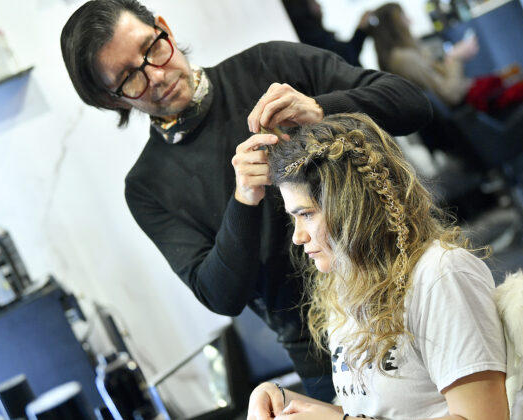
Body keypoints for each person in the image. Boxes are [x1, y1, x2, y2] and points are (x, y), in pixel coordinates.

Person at [60, 0, 431, 401]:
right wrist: (243, 200)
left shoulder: (268, 66)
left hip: (409, 289)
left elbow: (412, 103)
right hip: (323, 352)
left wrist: (323, 109)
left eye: (152, 48)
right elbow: (221, 295)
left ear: (164, 28)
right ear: (112, 99)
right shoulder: (149, 186)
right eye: (130, 77)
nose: (155, 74)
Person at [247, 113, 509, 420]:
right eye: (294, 218)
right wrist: (287, 403)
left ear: (350, 208)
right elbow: (379, 412)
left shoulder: (440, 275)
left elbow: (483, 417)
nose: (297, 236)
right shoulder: (346, 285)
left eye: (306, 214)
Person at [369, 2, 523, 206]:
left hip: (472, 124)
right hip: (475, 129)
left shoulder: (404, 57)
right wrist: (455, 58)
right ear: (394, 25)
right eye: (404, 18)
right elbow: (451, 94)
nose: (411, 21)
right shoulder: (405, 59)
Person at [282, 0, 374, 67]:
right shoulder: (316, 42)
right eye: (313, 2)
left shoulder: (310, 40)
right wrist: (361, 30)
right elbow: (348, 56)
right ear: (303, 8)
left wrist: (361, 29)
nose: (319, 5)